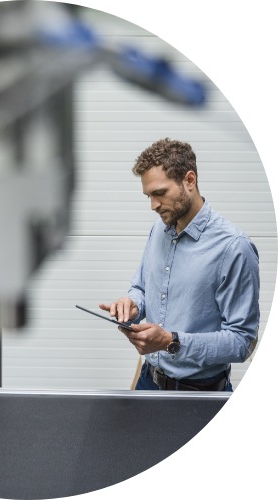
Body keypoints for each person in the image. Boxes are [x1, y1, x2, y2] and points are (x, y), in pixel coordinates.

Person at [99, 138, 260, 391]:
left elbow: (242, 341)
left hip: (199, 395)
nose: (153, 205)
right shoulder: (158, 229)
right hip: (148, 381)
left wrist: (170, 341)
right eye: (148, 196)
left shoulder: (234, 248)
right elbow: (141, 288)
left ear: (190, 181)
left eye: (160, 193)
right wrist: (131, 305)